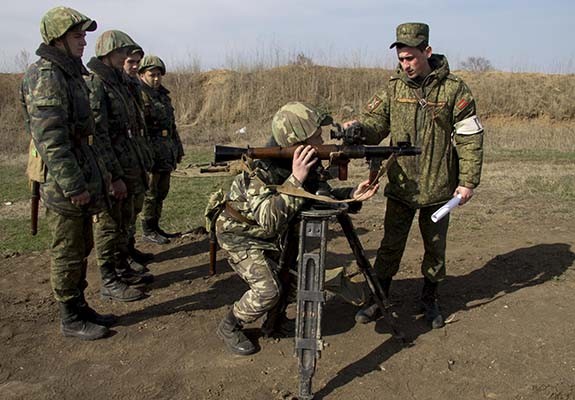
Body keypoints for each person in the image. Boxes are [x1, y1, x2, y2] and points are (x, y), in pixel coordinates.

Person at [214, 102, 380, 355]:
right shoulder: (260, 171)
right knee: (268, 290)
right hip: (242, 237)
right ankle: (230, 325)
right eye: (316, 136)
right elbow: (268, 219)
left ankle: (274, 321)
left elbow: (314, 195)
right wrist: (296, 178)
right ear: (298, 142)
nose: (323, 139)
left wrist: (351, 195)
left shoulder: (304, 162)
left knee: (293, 281)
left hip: (271, 236)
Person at [349, 23, 484, 329]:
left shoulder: (454, 89)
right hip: (401, 186)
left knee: (435, 249)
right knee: (390, 246)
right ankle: (379, 297)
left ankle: (430, 299)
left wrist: (468, 181)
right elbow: (375, 125)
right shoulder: (393, 89)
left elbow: (470, 137)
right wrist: (358, 130)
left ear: (427, 52)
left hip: (439, 189)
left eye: (410, 58)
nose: (405, 65)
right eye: (401, 59)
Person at [21, 6, 114, 340]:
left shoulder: (69, 73)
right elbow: (52, 141)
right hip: (64, 181)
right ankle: (69, 316)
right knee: (68, 248)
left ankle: (79, 304)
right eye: (77, 36)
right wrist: (74, 185)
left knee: (81, 244)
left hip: (80, 169)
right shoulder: (46, 75)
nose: (84, 42)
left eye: (85, 35)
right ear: (57, 40)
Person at [86, 30, 153, 302]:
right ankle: (109, 278)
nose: (127, 58)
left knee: (124, 220)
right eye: (121, 53)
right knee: (109, 223)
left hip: (128, 162)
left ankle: (121, 266)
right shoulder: (98, 84)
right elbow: (98, 136)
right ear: (108, 54)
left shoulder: (118, 83)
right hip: (111, 168)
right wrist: (112, 176)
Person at [138, 55, 185, 244]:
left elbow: (171, 126)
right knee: (150, 192)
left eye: (159, 75)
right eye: (152, 75)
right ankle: (147, 229)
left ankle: (156, 226)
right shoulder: (139, 95)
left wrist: (177, 148)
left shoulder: (163, 96)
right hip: (149, 151)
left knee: (161, 190)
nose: (156, 79)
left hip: (165, 150)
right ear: (142, 75)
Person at [122, 46, 154, 268]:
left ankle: (129, 250)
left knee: (134, 207)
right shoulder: (108, 87)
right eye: (130, 62)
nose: (134, 67)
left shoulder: (131, 88)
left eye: (136, 63)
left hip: (136, 156)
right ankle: (120, 260)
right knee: (120, 215)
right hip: (122, 159)